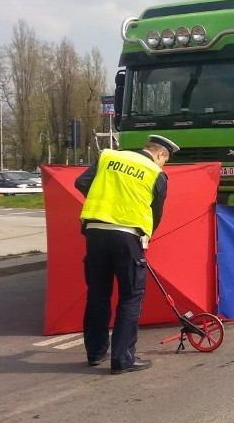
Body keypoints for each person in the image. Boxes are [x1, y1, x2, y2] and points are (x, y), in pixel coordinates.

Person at [74, 134, 180, 375]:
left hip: (95, 232)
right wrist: (145, 236)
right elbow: (156, 213)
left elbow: (80, 183)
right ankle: (123, 359)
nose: (163, 164)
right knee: (130, 296)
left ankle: (96, 352)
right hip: (127, 236)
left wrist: (106, 204)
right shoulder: (156, 174)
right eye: (165, 160)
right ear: (161, 154)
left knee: (98, 293)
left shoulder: (108, 157)